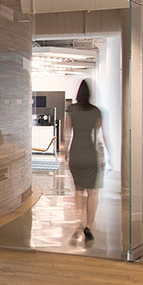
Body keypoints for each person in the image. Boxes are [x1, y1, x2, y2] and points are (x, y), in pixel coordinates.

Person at [64, 80, 108, 242]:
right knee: (93, 192)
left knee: (78, 191)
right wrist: (105, 156)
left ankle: (78, 223)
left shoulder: (71, 110)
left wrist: (63, 153)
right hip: (91, 154)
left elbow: (67, 135)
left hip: (76, 153)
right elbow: (98, 137)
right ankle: (89, 226)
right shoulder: (97, 112)